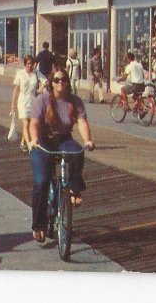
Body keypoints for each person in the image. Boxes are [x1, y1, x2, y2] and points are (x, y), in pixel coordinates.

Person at [27, 69, 95, 243]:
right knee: (41, 182)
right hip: (42, 140)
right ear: (51, 82)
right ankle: (38, 225)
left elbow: (81, 122)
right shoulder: (42, 100)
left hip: (63, 138)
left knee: (77, 151)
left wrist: (88, 140)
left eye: (64, 79)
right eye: (57, 80)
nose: (60, 83)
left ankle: (73, 187)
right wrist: (34, 139)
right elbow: (34, 123)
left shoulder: (75, 101)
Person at [11, 55, 40, 152]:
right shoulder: (20, 74)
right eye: (27, 63)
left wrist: (39, 90)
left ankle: (23, 141)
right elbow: (16, 89)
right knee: (26, 123)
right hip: (23, 101)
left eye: (31, 64)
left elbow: (47, 81)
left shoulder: (36, 73)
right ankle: (29, 145)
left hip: (33, 100)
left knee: (30, 122)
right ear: (25, 64)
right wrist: (13, 104)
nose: (29, 65)